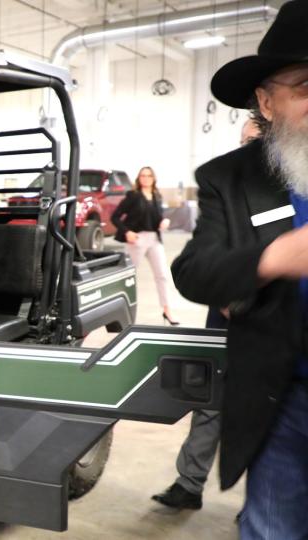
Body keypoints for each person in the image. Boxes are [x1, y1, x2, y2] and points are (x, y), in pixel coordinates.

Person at [171, 1, 308, 537]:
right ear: (266, 102)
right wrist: (273, 260)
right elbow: (196, 270)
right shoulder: (231, 178)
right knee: (274, 526)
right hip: (285, 399)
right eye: (304, 86)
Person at [152, 119, 262, 512]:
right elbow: (202, 260)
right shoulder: (225, 191)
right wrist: (224, 293)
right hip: (223, 320)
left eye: (256, 140)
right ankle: (189, 483)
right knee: (209, 399)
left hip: (271, 327)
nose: (247, 148)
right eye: (243, 140)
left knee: (267, 409)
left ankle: (259, 499)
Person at [110, 166, 179, 325]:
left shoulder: (156, 195)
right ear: (139, 178)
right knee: (128, 277)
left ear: (153, 178)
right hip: (137, 239)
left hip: (154, 239)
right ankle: (121, 312)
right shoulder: (133, 196)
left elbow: (157, 217)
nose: (146, 178)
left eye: (149, 176)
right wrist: (127, 232)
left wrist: (163, 222)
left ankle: (167, 310)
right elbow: (115, 217)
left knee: (162, 275)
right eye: (143, 176)